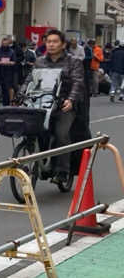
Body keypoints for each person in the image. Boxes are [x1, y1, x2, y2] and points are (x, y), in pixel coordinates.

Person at [17, 29, 84, 185]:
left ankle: (63, 171)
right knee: (34, 132)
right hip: (41, 104)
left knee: (62, 134)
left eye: (55, 42)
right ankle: (41, 164)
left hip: (63, 105)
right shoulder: (39, 61)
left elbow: (78, 83)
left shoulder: (73, 61)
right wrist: (20, 94)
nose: (51, 44)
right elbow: (29, 80)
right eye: (48, 42)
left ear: (63, 44)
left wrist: (71, 100)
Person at [0, 36, 18, 106]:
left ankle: (6, 104)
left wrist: (10, 63)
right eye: (4, 43)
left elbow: (14, 61)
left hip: (7, 72)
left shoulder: (11, 51)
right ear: (1, 43)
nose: (5, 44)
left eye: (6, 43)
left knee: (6, 89)